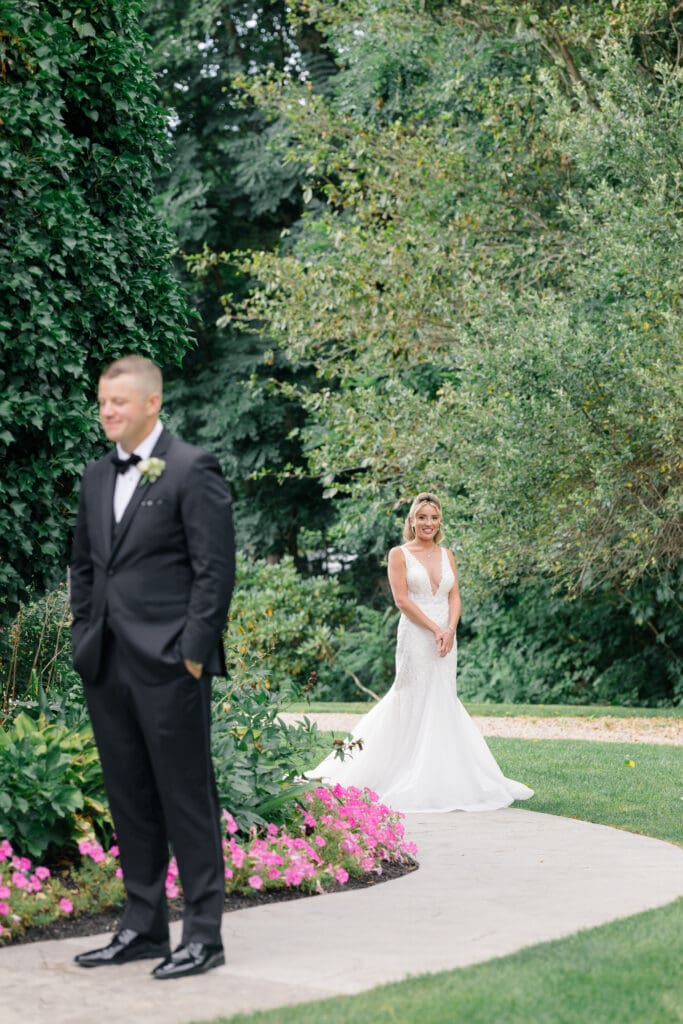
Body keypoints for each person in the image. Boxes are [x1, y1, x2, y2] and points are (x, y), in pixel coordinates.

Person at [69, 355, 235, 980]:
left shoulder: (193, 470)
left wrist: (191, 653)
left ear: (151, 403)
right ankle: (142, 927)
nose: (107, 410)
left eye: (118, 401)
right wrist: (87, 633)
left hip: (171, 667)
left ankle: (203, 936)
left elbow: (215, 571)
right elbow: (85, 566)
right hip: (108, 662)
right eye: (102, 401)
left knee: (185, 796)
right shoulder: (93, 475)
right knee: (129, 797)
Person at [309, 492, 533, 811]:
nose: (428, 523)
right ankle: (389, 767)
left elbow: (454, 596)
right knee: (411, 696)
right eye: (422, 517)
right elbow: (401, 600)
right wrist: (435, 629)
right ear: (411, 521)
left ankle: (447, 773)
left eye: (434, 517)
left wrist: (450, 630)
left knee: (442, 697)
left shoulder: (447, 554)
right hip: (417, 634)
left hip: (445, 637)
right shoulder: (399, 554)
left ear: (440, 521)